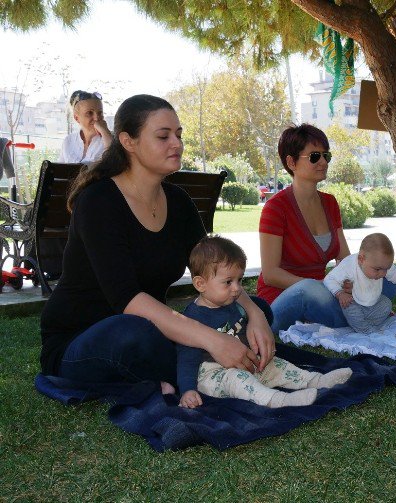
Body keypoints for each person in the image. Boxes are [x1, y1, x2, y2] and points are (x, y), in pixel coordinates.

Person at [40, 94, 275, 393]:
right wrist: (210, 338)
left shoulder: (178, 202)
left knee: (258, 308)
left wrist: (254, 316)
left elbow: (218, 267)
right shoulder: (99, 201)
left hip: (150, 327)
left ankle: (199, 365)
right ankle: (205, 362)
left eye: (178, 135)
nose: (176, 144)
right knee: (135, 333)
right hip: (85, 339)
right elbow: (127, 300)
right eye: (163, 136)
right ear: (128, 142)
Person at [177, 236, 352, 409]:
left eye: (240, 280)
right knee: (238, 380)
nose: (237, 288)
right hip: (214, 375)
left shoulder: (231, 302)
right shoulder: (194, 317)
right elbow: (186, 359)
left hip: (245, 362)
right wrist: (187, 390)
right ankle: (279, 400)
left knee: (275, 364)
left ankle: (317, 380)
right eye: (228, 282)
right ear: (200, 284)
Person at [258, 124, 396, 332]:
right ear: (291, 162)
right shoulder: (276, 208)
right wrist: (324, 286)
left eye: (327, 155)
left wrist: (349, 281)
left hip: (324, 292)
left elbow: (345, 259)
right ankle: (360, 315)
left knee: (387, 276)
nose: (323, 162)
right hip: (285, 297)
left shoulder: (330, 203)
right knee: (309, 289)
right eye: (315, 156)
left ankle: (350, 315)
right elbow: (271, 274)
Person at [323, 233, 396, 333]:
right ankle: (364, 329)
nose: (383, 274)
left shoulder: (376, 264)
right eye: (378, 269)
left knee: (386, 304)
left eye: (386, 269)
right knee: (351, 309)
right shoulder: (348, 265)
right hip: (353, 301)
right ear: (361, 259)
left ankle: (362, 323)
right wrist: (340, 293)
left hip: (373, 301)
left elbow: (395, 273)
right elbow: (329, 279)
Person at [58, 90, 113, 164]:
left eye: (100, 113)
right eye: (90, 113)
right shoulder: (68, 141)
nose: (96, 118)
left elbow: (115, 161)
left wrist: (105, 132)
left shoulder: (110, 139)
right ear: (76, 118)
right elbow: (59, 171)